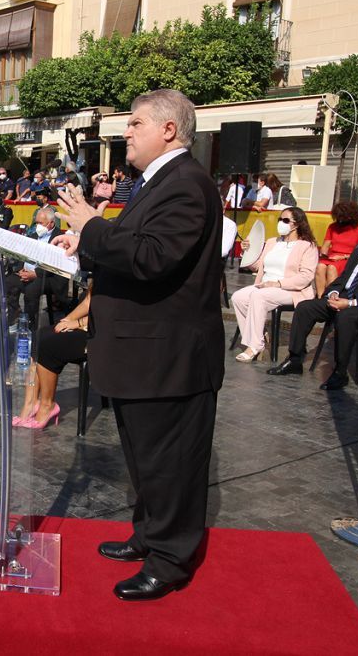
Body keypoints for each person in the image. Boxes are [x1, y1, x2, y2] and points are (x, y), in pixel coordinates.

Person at [52, 88, 225, 601]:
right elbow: (126, 249)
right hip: (139, 353)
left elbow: (152, 257)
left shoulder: (187, 185)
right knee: (145, 458)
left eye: (135, 123)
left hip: (167, 357)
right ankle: (151, 535)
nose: (125, 132)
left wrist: (91, 226)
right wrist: (83, 241)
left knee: (169, 463)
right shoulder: (153, 183)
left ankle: (171, 559)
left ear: (169, 129)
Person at [268, 213, 358, 390]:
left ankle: (340, 372)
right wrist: (333, 292)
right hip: (343, 298)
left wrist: (350, 303)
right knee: (305, 307)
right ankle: (295, 359)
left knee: (346, 316)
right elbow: (344, 278)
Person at [231, 207, 319, 362]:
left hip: (290, 289)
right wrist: (247, 251)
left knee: (259, 296)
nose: (281, 223)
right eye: (280, 219)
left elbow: (306, 277)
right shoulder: (273, 242)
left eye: (285, 220)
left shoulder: (307, 246)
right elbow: (257, 266)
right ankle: (258, 335)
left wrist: (278, 283)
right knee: (238, 297)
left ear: (296, 224)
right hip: (265, 285)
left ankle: (255, 346)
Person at [14, 287, 92, 429]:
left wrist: (77, 323)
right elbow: (88, 301)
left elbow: (111, 314)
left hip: (102, 334)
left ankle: (47, 405)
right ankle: (30, 403)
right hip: (88, 323)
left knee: (47, 346)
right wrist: (68, 319)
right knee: (38, 337)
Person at [15, 206, 67, 327]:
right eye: (36, 222)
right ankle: (14, 317)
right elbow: (22, 255)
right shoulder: (33, 236)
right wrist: (20, 269)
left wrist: (35, 274)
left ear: (51, 223)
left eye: (40, 223)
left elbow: (55, 264)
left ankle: (30, 325)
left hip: (48, 277)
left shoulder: (59, 238)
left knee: (31, 290)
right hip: (27, 272)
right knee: (8, 283)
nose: (37, 226)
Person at [315, 200, 358, 297]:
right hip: (333, 257)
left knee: (331, 268)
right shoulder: (333, 227)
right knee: (320, 266)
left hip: (349, 259)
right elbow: (325, 245)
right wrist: (323, 254)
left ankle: (330, 296)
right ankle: (320, 296)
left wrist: (343, 257)